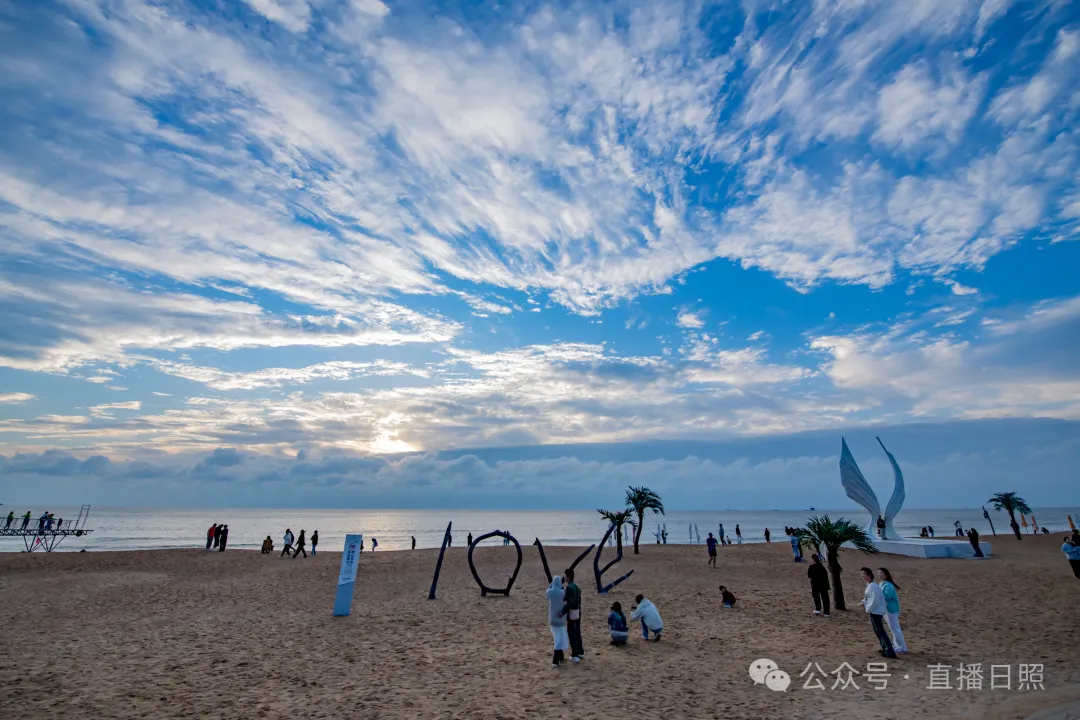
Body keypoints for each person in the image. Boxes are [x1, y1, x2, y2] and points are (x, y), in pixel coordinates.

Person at [859, 567, 897, 658]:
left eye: (864, 574)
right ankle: (885, 648)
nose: (862, 576)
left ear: (868, 575)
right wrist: (863, 602)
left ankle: (889, 651)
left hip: (876, 611)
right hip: (875, 611)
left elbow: (875, 600)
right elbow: (869, 598)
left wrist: (868, 608)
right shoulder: (870, 585)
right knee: (878, 631)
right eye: (862, 574)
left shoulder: (873, 586)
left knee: (880, 631)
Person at [877, 568, 907, 653]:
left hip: (891, 609)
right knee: (892, 628)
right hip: (886, 609)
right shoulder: (881, 584)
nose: (879, 574)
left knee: (895, 628)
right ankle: (897, 646)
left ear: (886, 575)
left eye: (881, 573)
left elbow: (886, 596)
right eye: (878, 573)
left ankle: (902, 647)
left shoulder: (888, 585)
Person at [546, 575, 570, 668]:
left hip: (552, 619)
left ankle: (560, 658)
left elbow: (546, 596)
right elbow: (566, 600)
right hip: (561, 619)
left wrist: (550, 586)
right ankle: (555, 660)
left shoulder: (549, 592)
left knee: (557, 639)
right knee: (559, 640)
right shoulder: (562, 592)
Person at [564, 568, 584, 662]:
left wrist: (563, 611)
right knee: (577, 632)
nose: (565, 578)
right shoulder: (576, 587)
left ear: (568, 577)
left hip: (572, 612)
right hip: (578, 611)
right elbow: (579, 600)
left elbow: (569, 603)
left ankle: (575, 654)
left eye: (566, 576)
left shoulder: (569, 587)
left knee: (571, 633)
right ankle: (581, 652)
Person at [808, 553, 830, 617]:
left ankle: (818, 609)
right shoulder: (821, 566)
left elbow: (809, 575)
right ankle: (826, 612)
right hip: (823, 584)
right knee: (825, 598)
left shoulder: (812, 567)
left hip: (816, 584)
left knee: (816, 596)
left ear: (813, 559)